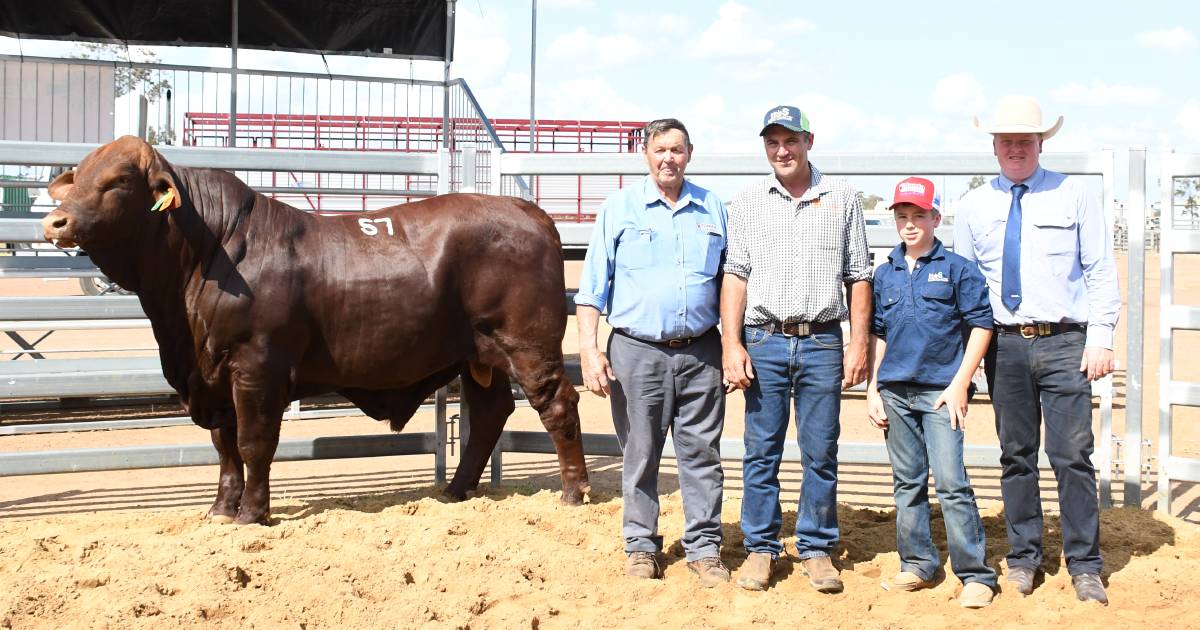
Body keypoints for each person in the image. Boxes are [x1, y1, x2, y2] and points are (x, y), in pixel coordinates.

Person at [955, 95, 1120, 605]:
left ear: (1042, 142)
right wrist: (969, 358)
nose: (1015, 148)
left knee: (1072, 456)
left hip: (1064, 342)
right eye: (1006, 140)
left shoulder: (1073, 196)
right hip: (1003, 347)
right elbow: (965, 286)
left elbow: (1099, 270)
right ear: (993, 146)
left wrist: (1101, 338)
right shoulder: (974, 206)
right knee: (1015, 456)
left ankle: (1085, 564)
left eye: (1025, 139)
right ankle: (1024, 557)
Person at [721, 105, 872, 592]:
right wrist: (731, 343)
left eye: (790, 140)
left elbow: (859, 276)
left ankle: (816, 546)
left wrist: (859, 343)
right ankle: (761, 548)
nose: (782, 151)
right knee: (760, 451)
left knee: (820, 450)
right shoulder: (747, 201)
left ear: (809, 140)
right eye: (772, 142)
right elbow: (735, 276)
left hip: (823, 339)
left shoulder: (842, 197)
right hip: (764, 339)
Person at [575, 118, 730, 588]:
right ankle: (641, 546)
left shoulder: (712, 207)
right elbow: (591, 290)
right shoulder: (619, 209)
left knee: (702, 454)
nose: (669, 158)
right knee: (640, 454)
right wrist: (588, 351)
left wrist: (735, 343)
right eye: (661, 149)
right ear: (645, 153)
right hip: (636, 351)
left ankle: (704, 548)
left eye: (678, 150)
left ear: (690, 153)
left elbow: (732, 283)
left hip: (702, 351)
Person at [865, 177, 998, 608]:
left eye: (918, 215)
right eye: (902, 216)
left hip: (942, 392)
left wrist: (961, 383)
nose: (909, 224)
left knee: (952, 480)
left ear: (936, 218)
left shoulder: (958, 269)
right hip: (896, 391)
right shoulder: (883, 273)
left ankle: (975, 573)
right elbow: (879, 333)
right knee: (907, 482)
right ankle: (918, 562)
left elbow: (981, 324)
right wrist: (873, 387)